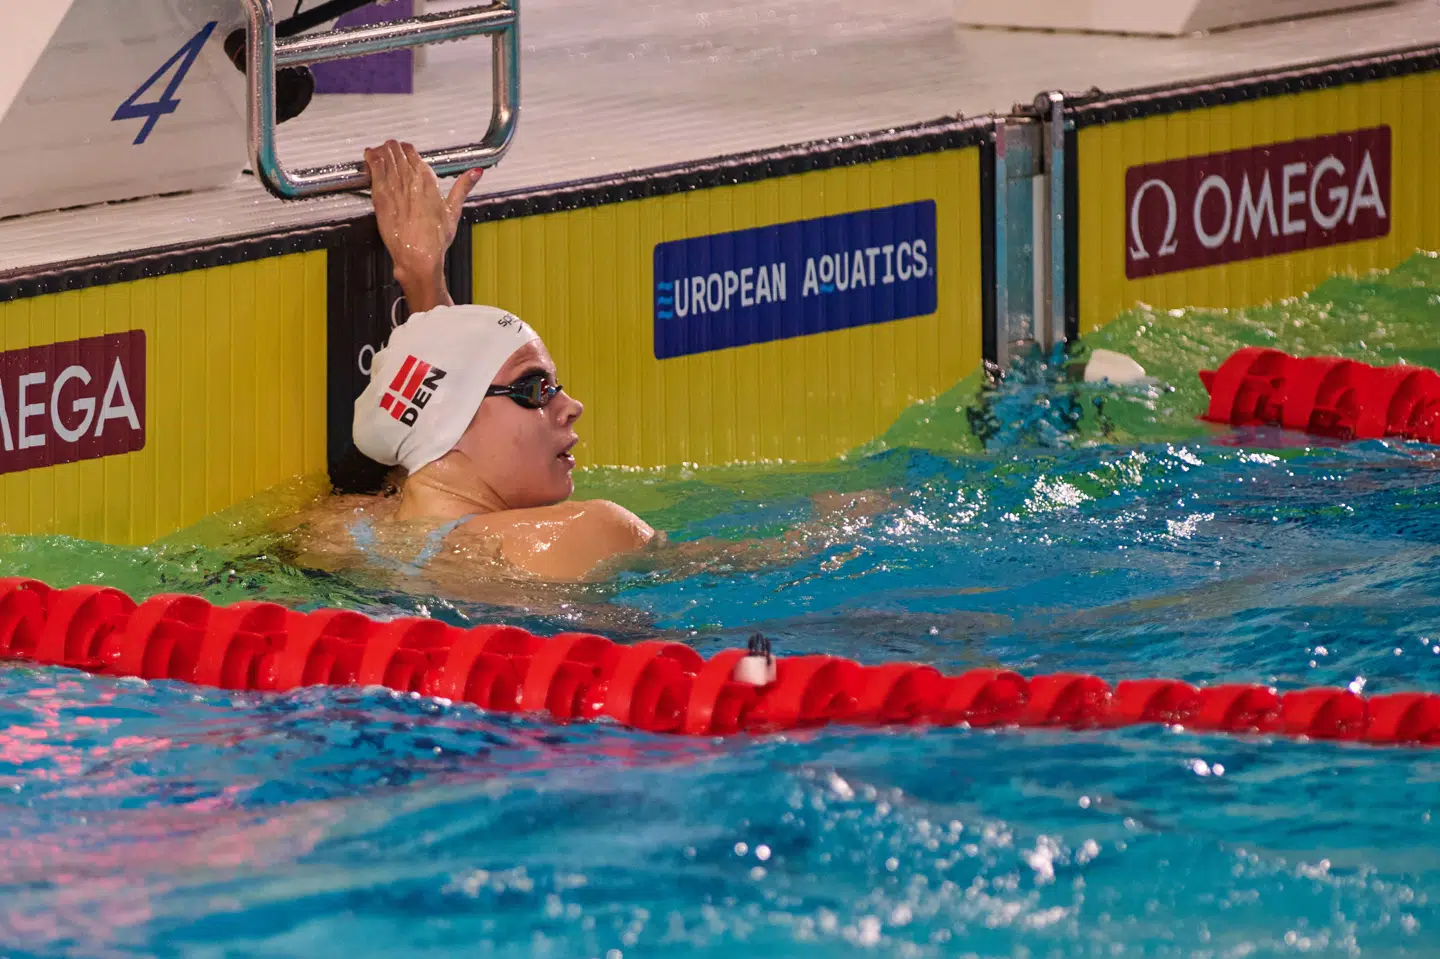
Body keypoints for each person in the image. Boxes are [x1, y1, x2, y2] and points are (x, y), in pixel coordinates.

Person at [285, 140, 887, 591]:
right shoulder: (584, 533)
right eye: (535, 388)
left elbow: (438, 401)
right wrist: (841, 532)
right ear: (451, 424)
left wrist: (422, 278)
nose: (570, 406)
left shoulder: (338, 533)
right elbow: (762, 571)